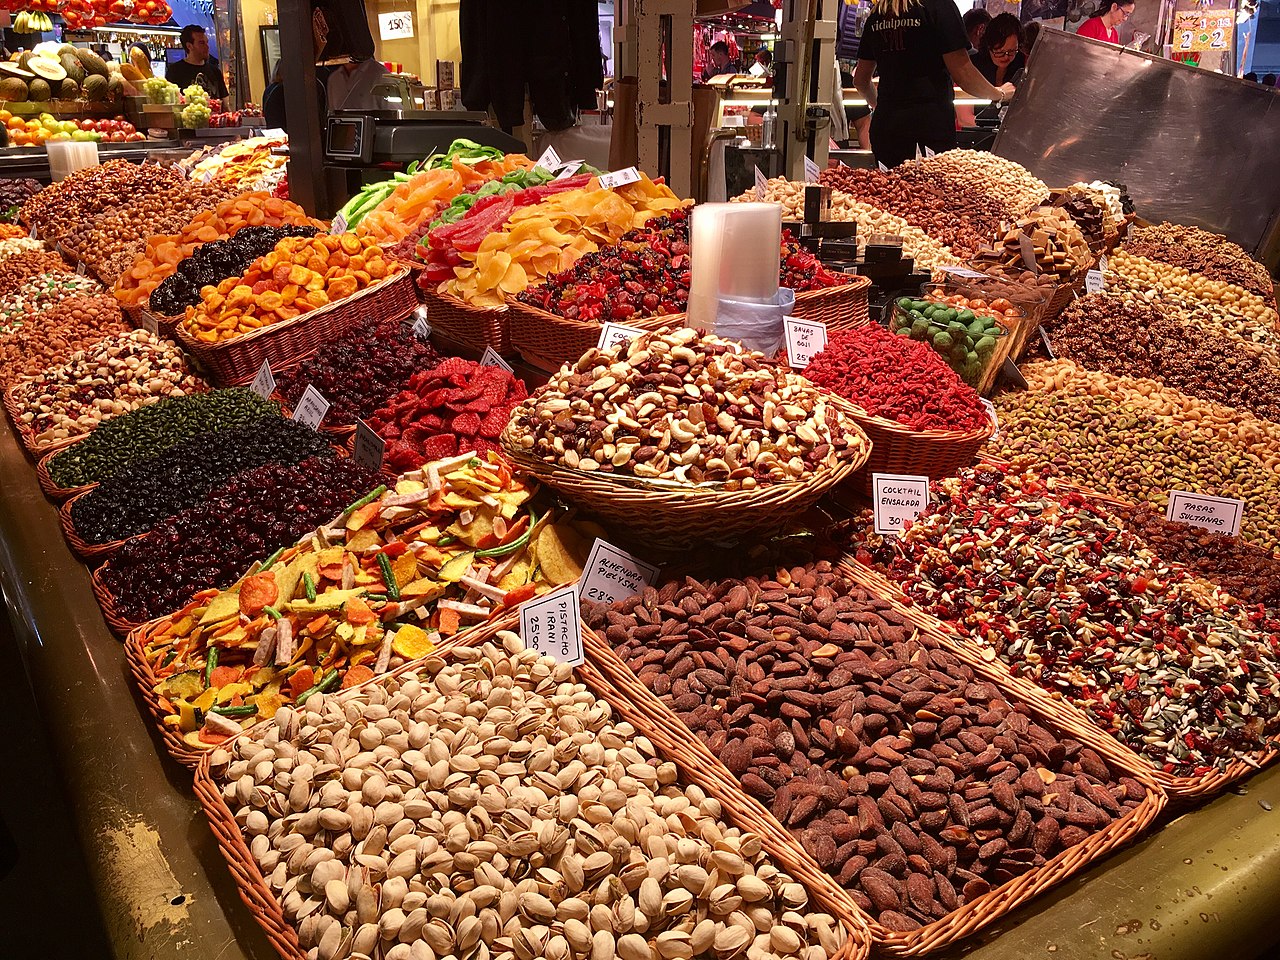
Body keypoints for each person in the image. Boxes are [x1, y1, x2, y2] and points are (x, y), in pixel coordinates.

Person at [853, 0, 1016, 167]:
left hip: (886, 129)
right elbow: (963, 73)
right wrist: (1000, 94)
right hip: (929, 129)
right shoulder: (939, 6)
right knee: (929, 191)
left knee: (890, 190)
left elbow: (860, 80)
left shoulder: (878, 12)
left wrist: (883, 108)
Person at [166, 25, 229, 98]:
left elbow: (225, 104)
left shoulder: (215, 72)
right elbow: (170, 104)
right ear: (189, 46)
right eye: (202, 43)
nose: (207, 47)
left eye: (207, 42)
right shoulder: (175, 71)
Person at [972, 14, 1025, 85]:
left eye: (1011, 51)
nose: (1006, 57)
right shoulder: (973, 65)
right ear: (988, 46)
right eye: (1000, 52)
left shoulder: (1023, 64)